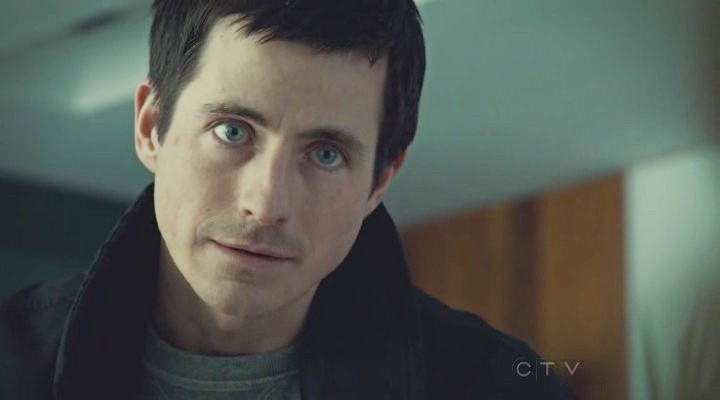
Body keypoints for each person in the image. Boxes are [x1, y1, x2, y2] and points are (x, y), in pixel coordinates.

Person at [0, 1, 577, 399]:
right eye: (232, 131)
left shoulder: (501, 387)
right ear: (151, 127)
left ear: (381, 180)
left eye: (326, 154)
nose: (266, 202)